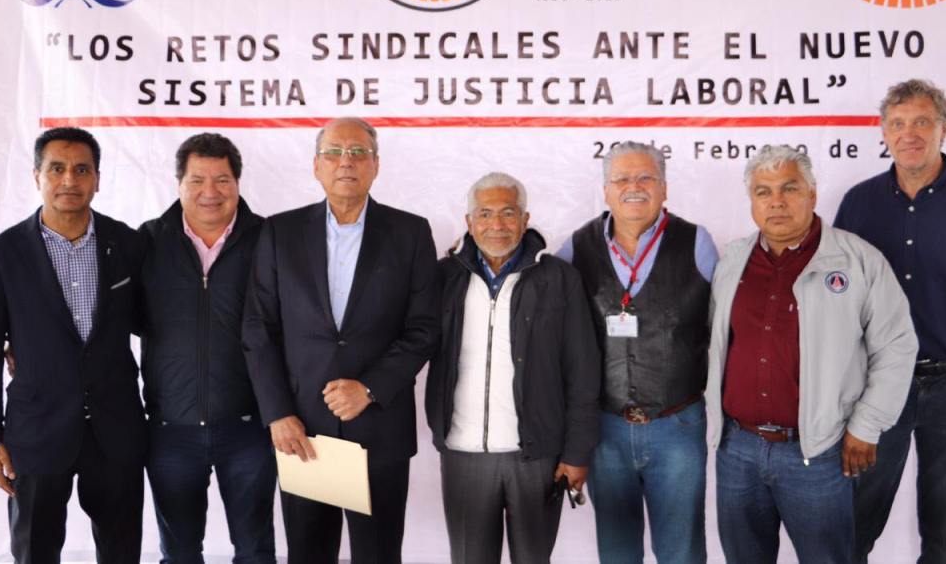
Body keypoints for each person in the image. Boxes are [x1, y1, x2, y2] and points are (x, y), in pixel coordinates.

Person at [242, 117, 440, 564]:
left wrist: (369, 388)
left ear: (376, 165)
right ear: (316, 166)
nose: (345, 162)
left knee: (378, 555)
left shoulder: (410, 233)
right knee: (309, 555)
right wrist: (278, 413)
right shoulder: (280, 232)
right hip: (303, 430)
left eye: (358, 152)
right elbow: (258, 328)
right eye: (333, 153)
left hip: (379, 427)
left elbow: (424, 328)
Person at [707, 145, 917, 563]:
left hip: (818, 452)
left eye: (789, 188)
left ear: (812, 194)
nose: (776, 201)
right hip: (738, 450)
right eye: (763, 191)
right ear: (752, 201)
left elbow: (896, 345)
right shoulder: (733, 260)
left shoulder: (858, 260)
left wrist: (867, 426)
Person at [834, 79, 946, 563]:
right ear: (884, 132)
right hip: (877, 387)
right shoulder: (858, 204)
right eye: (897, 123)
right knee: (850, 531)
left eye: (921, 122)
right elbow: (838, 308)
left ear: (943, 129)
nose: (908, 133)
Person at [0, 127, 147, 563]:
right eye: (56, 169)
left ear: (98, 179)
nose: (69, 180)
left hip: (116, 429)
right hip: (36, 431)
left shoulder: (129, 244)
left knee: (121, 551)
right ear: (36, 176)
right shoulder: (1, 254)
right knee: (34, 551)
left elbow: (153, 323)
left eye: (82, 170)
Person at [557, 141, 718, 564]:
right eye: (622, 179)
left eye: (646, 177)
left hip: (677, 426)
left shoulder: (697, 242)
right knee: (617, 552)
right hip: (605, 429)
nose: (634, 187)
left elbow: (724, 327)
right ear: (606, 191)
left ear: (664, 188)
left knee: (682, 552)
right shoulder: (575, 247)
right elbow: (550, 321)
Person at [427, 172, 600, 564]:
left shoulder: (558, 278)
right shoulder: (444, 277)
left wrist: (577, 451)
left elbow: (583, 372)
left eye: (508, 213)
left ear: (525, 220)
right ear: (469, 222)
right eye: (485, 214)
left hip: (536, 455)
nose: (497, 225)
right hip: (462, 452)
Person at [138, 133, 275, 563]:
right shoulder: (147, 241)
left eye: (222, 180)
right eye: (197, 180)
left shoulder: (269, 240)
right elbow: (111, 316)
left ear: (237, 183)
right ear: (179, 183)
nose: (210, 192)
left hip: (250, 427)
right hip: (170, 428)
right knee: (178, 553)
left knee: (255, 551)